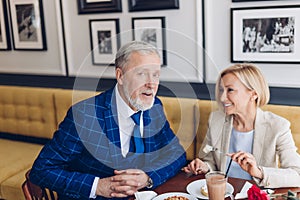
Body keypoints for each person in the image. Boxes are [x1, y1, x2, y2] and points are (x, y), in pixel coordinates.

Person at [30, 41, 186, 199]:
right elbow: (42, 170)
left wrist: (148, 177)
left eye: (155, 75)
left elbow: (176, 153)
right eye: (142, 74)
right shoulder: (85, 115)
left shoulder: (154, 107)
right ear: (120, 76)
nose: (151, 84)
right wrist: (97, 186)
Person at [182, 63, 300, 188]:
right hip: (223, 192)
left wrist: (258, 172)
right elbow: (211, 159)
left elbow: (297, 174)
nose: (222, 98)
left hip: (256, 194)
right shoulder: (216, 119)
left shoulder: (278, 126)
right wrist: (204, 166)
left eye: (230, 90)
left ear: (253, 94)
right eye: (221, 90)